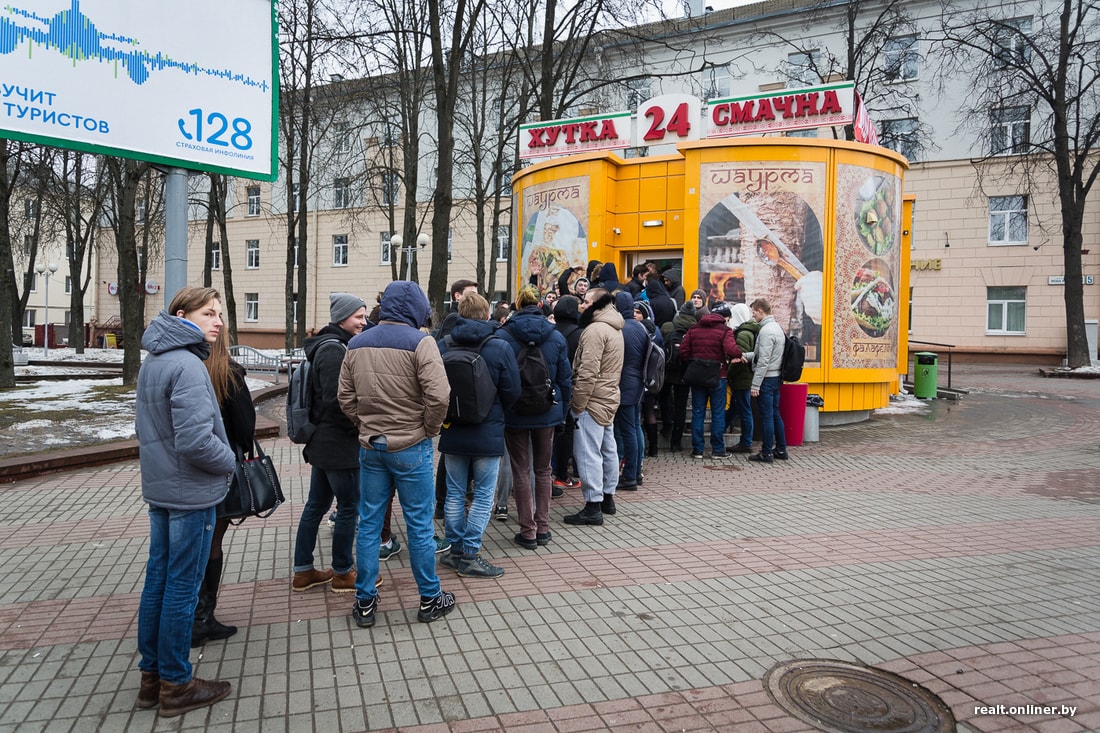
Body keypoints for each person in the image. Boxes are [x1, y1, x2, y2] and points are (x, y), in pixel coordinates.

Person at [134, 286, 235, 716]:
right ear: (181, 314)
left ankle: (152, 677)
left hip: (163, 488)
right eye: (209, 313)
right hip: (191, 492)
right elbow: (196, 441)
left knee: (158, 581)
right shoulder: (188, 365)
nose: (218, 322)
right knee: (181, 586)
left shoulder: (155, 361)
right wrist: (229, 461)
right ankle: (176, 684)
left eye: (219, 314)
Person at [339, 280, 456, 627]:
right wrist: (429, 430)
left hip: (371, 446)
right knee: (419, 526)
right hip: (411, 446)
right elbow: (439, 396)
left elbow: (345, 397)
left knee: (370, 524)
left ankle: (364, 602)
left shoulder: (356, 343)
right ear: (418, 308)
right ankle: (430, 598)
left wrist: (364, 424)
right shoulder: (422, 343)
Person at [436, 293, 520, 576]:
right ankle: (470, 554)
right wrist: (494, 410)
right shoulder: (499, 345)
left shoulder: (443, 345)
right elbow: (513, 390)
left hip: (453, 429)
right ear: (488, 315)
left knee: (455, 493)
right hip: (488, 429)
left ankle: (455, 550)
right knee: (484, 494)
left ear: (459, 312)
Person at [292, 293, 370, 594]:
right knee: (349, 506)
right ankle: (341, 572)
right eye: (358, 316)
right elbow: (337, 401)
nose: (363, 322)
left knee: (317, 505)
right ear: (342, 317)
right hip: (338, 445)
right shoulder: (334, 350)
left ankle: (303, 571)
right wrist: (360, 426)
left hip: (324, 442)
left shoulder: (331, 345)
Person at [191, 326, 256, 648]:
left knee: (190, 546)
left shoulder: (183, 369)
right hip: (220, 472)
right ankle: (202, 617)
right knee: (211, 544)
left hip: (184, 477)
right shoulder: (229, 374)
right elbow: (245, 428)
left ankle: (193, 614)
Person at [499, 286, 572, 549]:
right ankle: (543, 528)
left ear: (516, 305)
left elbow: (499, 378)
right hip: (547, 411)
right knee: (543, 470)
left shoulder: (504, 335)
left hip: (515, 412)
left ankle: (527, 531)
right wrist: (561, 414)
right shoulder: (555, 336)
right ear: (540, 305)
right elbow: (565, 380)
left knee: (521, 470)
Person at [564, 287, 624, 526]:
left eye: (587, 302)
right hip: (608, 396)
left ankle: (593, 505)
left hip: (592, 399)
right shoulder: (614, 327)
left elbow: (587, 372)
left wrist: (578, 404)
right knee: (608, 448)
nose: (582, 305)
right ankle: (607, 497)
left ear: (598, 304)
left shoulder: (595, 330)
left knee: (588, 452)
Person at [680, 301, 742, 459]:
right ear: (724, 318)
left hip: (697, 377)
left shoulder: (694, 329)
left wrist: (694, 363)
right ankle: (717, 450)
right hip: (718, 376)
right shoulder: (725, 330)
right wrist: (739, 354)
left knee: (698, 412)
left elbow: (683, 350)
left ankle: (698, 450)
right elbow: (731, 350)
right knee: (718, 413)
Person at [613, 291, 648, 491]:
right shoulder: (639, 327)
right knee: (634, 428)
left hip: (624, 385)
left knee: (627, 430)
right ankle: (635, 472)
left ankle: (629, 476)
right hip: (637, 385)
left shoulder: (621, 328)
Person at [747, 298, 788, 464]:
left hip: (766, 379)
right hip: (776, 376)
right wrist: (745, 356)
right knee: (775, 414)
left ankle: (766, 453)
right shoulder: (776, 328)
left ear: (761, 311)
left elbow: (763, 361)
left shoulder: (766, 331)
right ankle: (781, 449)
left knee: (766, 417)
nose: (753, 315)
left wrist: (755, 384)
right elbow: (766, 356)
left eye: (754, 312)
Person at [551, 295, 583, 494]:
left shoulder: (551, 332)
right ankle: (562, 474)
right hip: (569, 388)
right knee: (567, 431)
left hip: (549, 388)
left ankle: (550, 473)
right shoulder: (579, 334)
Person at [660, 301, 698, 452]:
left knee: (664, 398)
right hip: (685, 372)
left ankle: (667, 423)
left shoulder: (668, 326)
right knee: (681, 407)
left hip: (668, 370)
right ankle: (676, 442)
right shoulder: (695, 330)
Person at [727, 303, 759, 454]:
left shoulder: (743, 334)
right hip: (746, 377)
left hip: (742, 378)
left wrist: (729, 373)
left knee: (744, 409)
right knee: (736, 407)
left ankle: (746, 442)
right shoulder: (749, 331)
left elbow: (739, 359)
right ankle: (721, 430)